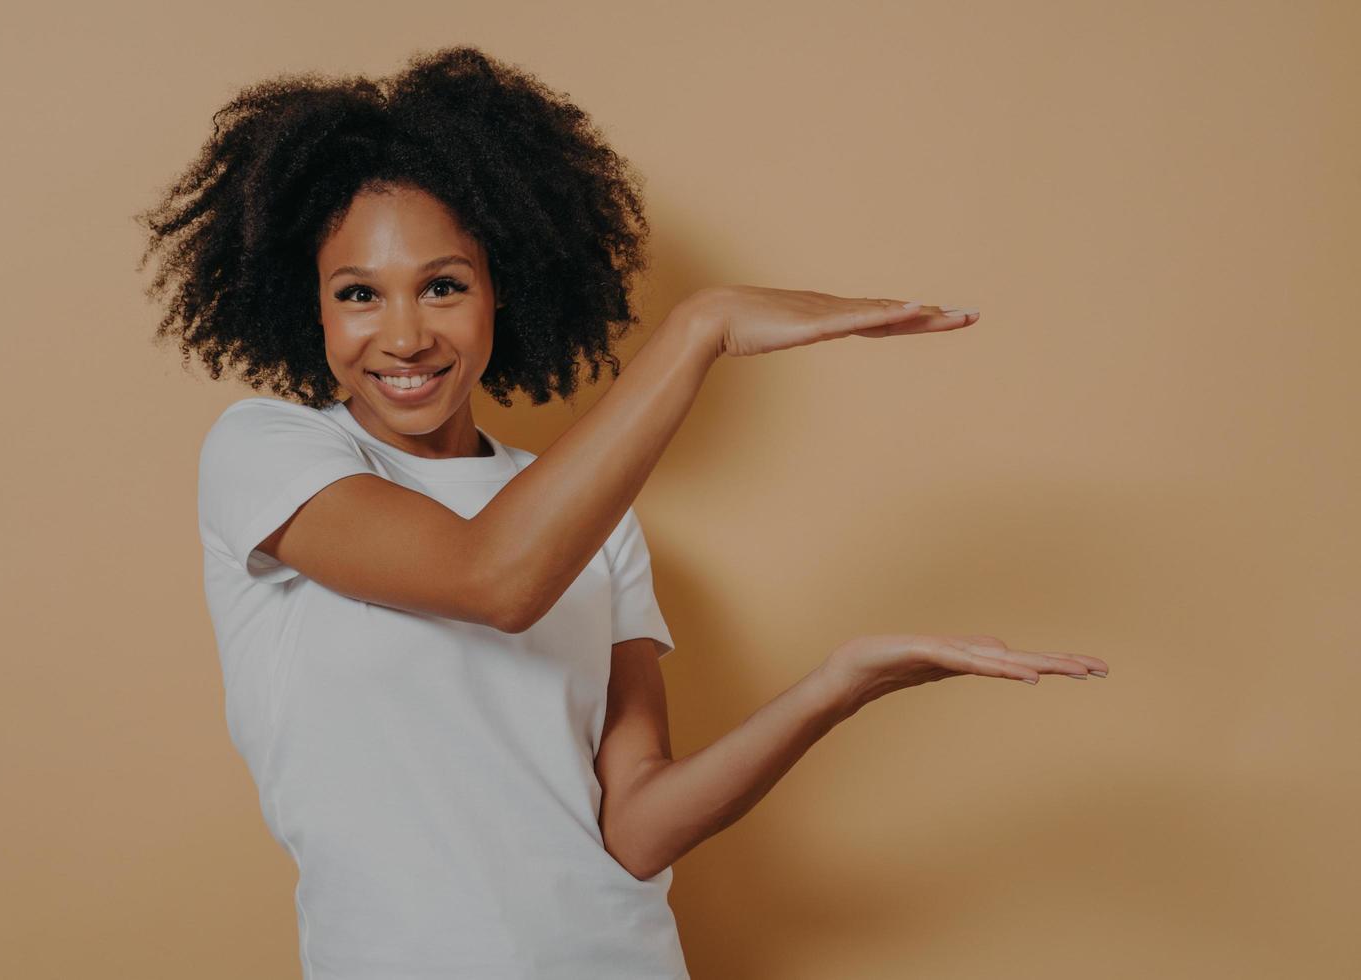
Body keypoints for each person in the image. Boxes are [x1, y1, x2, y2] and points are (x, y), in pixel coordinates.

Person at [136, 45, 1108, 980]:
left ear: (498, 292)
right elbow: (492, 577)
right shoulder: (267, 452)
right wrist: (700, 328)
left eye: (443, 285)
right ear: (307, 305)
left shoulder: (596, 516)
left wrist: (835, 687)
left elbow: (634, 824)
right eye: (358, 293)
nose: (404, 333)